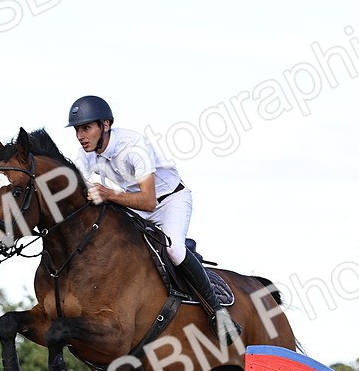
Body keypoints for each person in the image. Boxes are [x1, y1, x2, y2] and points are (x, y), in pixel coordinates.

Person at [66, 95, 240, 345]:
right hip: (133, 203)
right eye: (77, 130)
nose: (80, 136)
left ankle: (218, 314)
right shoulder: (86, 156)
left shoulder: (133, 146)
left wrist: (109, 195)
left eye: (86, 128)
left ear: (105, 125)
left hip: (169, 201)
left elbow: (149, 201)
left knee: (174, 249)